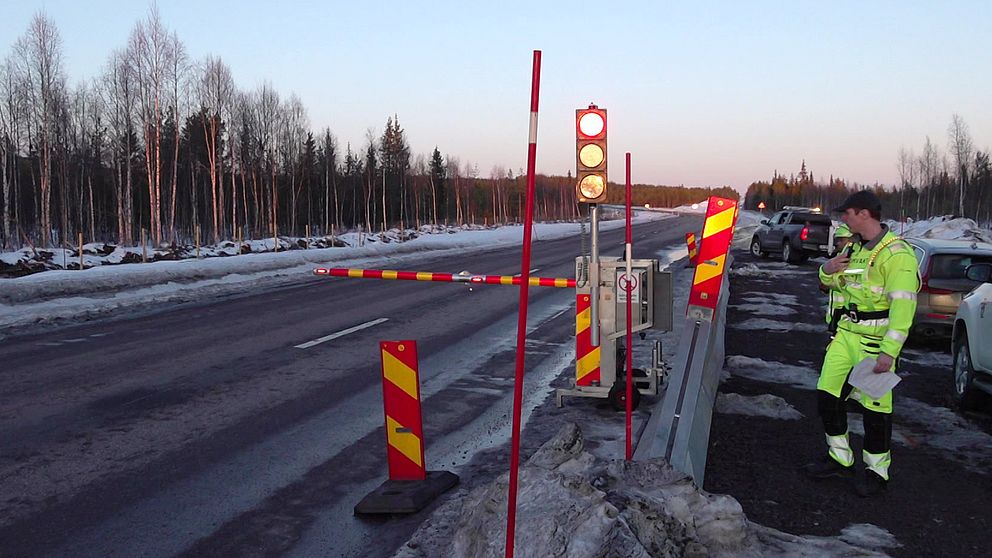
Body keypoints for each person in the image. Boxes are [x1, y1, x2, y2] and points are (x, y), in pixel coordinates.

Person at [804, 190, 920, 496]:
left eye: (848, 213)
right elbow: (837, 283)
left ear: (864, 214)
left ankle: (876, 471)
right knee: (827, 396)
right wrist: (825, 271)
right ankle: (839, 458)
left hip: (875, 344)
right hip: (846, 335)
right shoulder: (855, 248)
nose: (843, 218)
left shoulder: (897, 255)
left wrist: (889, 352)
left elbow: (903, 308)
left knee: (875, 411)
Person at [822, 224, 858, 334]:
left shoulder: (851, 259)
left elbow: (845, 282)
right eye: (836, 240)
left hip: (847, 318)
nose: (837, 243)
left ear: (850, 240)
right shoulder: (840, 256)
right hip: (838, 318)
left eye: (841, 240)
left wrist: (827, 283)